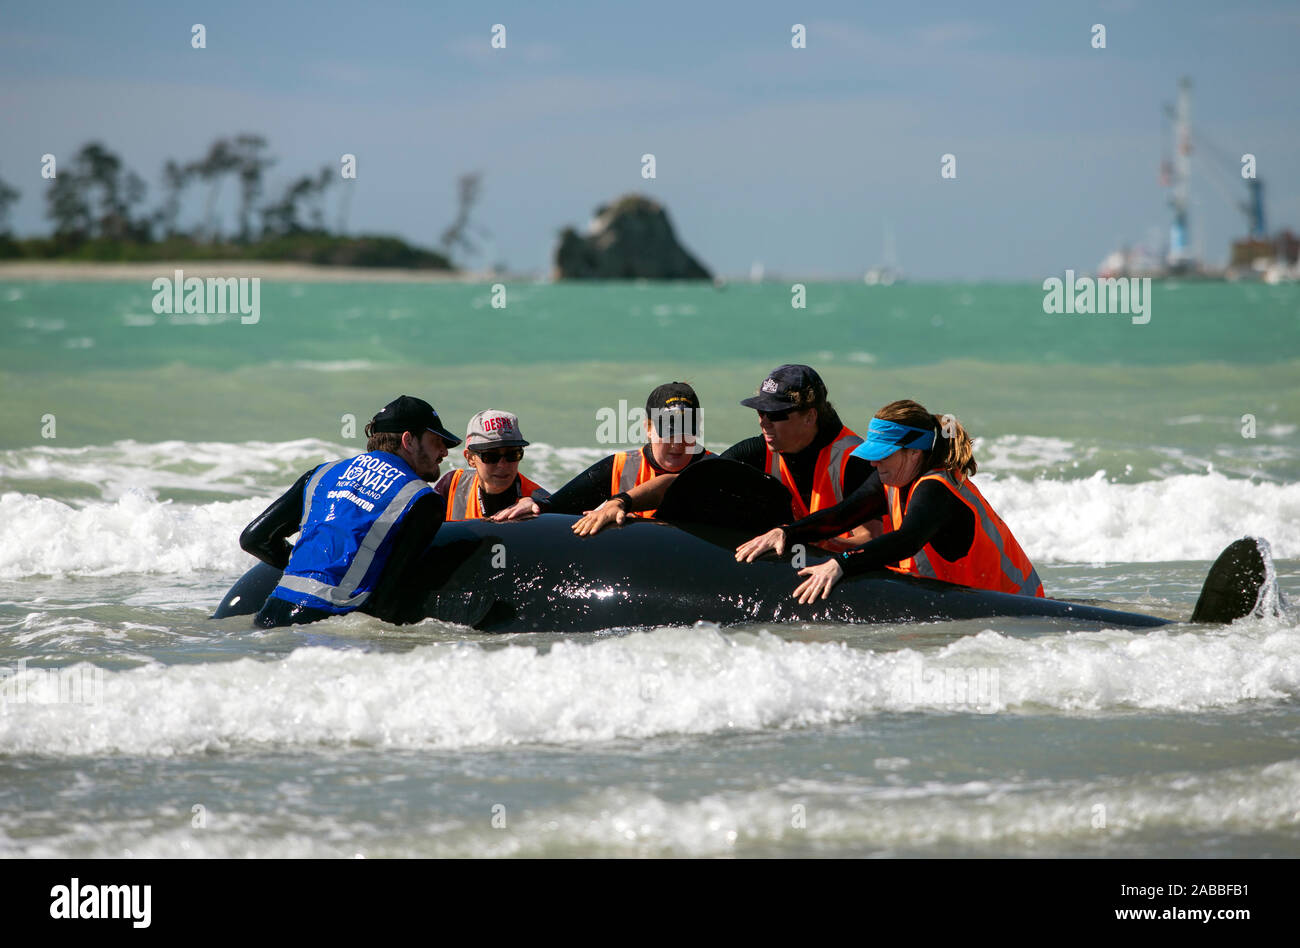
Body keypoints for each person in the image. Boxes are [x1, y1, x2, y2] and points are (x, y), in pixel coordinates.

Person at [787, 399, 1044, 604]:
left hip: (1016, 608)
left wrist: (841, 564)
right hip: (971, 601)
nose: (874, 463)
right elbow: (843, 515)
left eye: (883, 454)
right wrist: (786, 534)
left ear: (914, 453)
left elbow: (906, 541)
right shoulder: (892, 477)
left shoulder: (936, 488)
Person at [239, 395, 458, 627]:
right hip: (327, 628)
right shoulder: (421, 499)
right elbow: (389, 595)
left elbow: (254, 539)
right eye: (437, 441)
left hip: (269, 614)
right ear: (409, 440)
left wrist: (307, 570)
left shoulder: (322, 473)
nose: (444, 452)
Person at [575, 365, 871, 536]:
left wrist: (795, 538)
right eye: (760, 413)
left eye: (776, 414)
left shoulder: (855, 460)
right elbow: (688, 481)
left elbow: (872, 539)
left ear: (810, 416)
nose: (764, 422)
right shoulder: (760, 449)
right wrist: (621, 502)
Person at [529, 382, 710, 532]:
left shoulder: (715, 469)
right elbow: (555, 507)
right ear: (648, 428)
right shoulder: (621, 467)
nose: (677, 442)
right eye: (669, 432)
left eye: (686, 431)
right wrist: (536, 505)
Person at [433, 410, 550, 521]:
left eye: (513, 455)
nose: (502, 465)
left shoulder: (538, 500)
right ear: (470, 458)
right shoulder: (453, 485)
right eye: (490, 456)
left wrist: (541, 505)